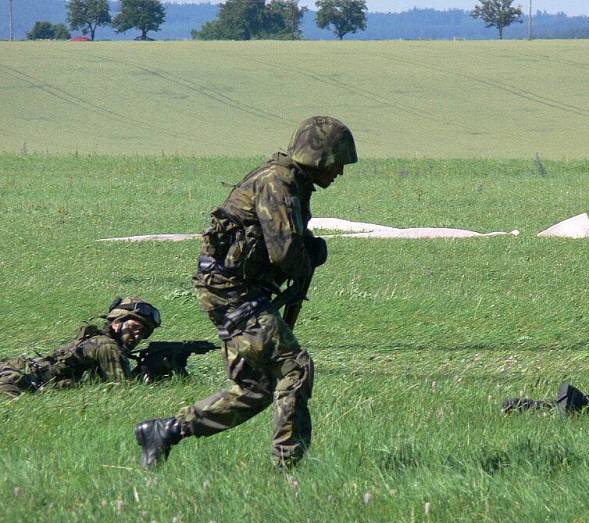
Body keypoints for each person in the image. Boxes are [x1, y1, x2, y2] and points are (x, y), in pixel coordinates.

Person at [135, 116, 358, 469]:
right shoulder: (278, 182)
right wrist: (310, 255)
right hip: (233, 293)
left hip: (237, 292)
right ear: (318, 157)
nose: (339, 173)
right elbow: (284, 253)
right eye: (336, 163)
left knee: (253, 390)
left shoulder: (293, 183)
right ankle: (289, 469)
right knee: (295, 369)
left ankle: (164, 431)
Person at [0, 297, 161, 397]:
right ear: (117, 324)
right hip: (17, 380)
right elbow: (125, 391)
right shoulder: (107, 346)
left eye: (143, 333)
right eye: (134, 328)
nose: (137, 336)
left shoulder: (100, 342)